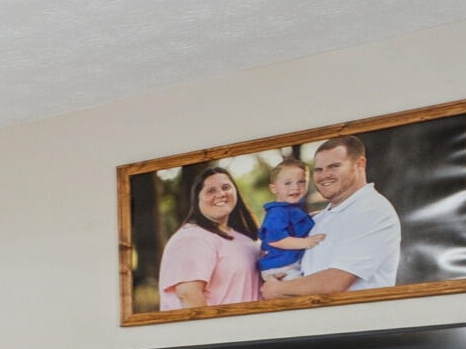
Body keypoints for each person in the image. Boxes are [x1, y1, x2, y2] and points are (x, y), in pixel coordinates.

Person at [264, 132, 401, 297]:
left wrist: (275, 288)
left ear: (360, 164)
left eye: (334, 166)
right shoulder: (323, 217)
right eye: (319, 169)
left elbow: (335, 281)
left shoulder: (371, 211)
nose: (324, 175)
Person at [155, 161, 260, 311]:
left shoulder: (244, 238)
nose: (220, 194)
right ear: (197, 200)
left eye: (226, 187)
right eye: (210, 191)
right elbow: (189, 295)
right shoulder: (192, 238)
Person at [255, 157, 325, 280]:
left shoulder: (291, 208)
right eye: (288, 183)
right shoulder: (276, 213)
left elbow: (295, 224)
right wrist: (305, 243)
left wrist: (312, 216)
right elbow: (275, 239)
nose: (295, 187)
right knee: (302, 288)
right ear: (274, 188)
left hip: (290, 263)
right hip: (280, 266)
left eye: (301, 182)